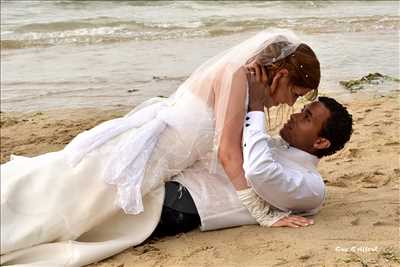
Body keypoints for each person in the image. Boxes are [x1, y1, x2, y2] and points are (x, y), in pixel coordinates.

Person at [1, 30, 321, 266]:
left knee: (72, 203)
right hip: (144, 157)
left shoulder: (248, 84)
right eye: (295, 93)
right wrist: (262, 213)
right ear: (279, 74)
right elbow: (227, 153)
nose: (291, 103)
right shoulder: (237, 75)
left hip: (156, 161)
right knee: (63, 199)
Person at [153, 93, 353, 236]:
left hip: (182, 204)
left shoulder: (313, 187)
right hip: (172, 178)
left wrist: (256, 109)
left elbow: (258, 171)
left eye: (306, 118)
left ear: (320, 142)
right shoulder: (273, 145)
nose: (294, 116)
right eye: (302, 111)